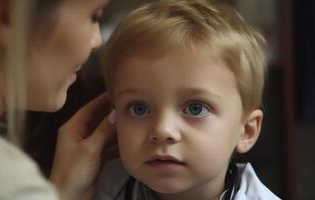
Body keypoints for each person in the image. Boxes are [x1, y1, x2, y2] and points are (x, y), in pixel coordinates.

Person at [99, 0, 281, 199]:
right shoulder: (102, 188)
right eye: (139, 108)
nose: (162, 130)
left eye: (196, 108)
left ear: (246, 131)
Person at [0, 0, 117, 200]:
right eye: (94, 16)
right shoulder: (5, 186)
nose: (97, 41)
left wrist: (63, 188)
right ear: (8, 17)